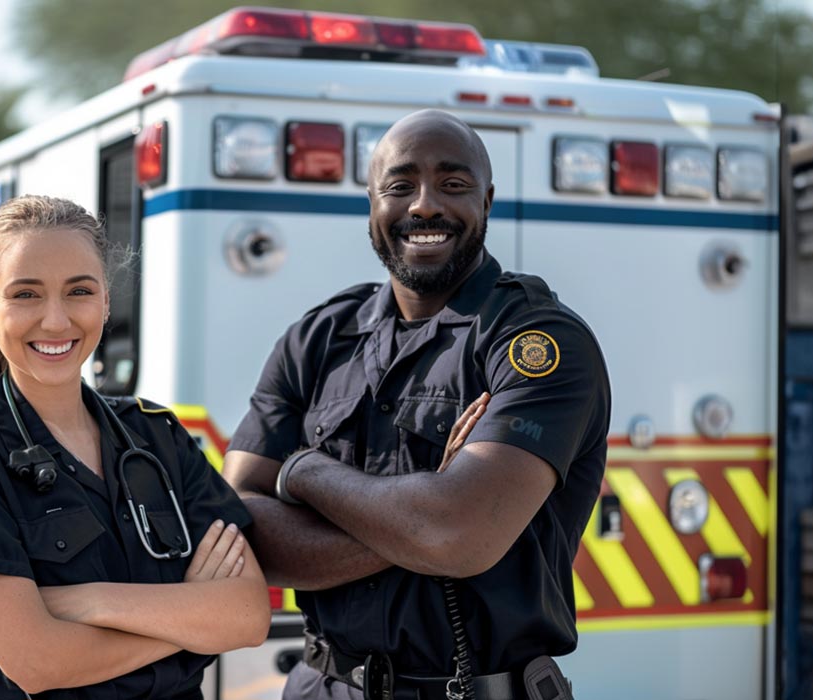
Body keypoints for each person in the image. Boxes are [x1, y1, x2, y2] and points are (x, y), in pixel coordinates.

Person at [224, 110, 611, 700]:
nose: (425, 205)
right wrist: (423, 512)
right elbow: (239, 529)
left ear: (488, 200)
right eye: (399, 186)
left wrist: (304, 471)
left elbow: (456, 533)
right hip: (321, 687)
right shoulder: (316, 340)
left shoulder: (537, 341)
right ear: (372, 204)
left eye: (453, 185)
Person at [0, 195, 270, 700]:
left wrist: (89, 601)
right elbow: (37, 662)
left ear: (106, 302)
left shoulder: (157, 437)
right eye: (26, 295)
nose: (55, 321)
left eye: (78, 291)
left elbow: (248, 616)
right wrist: (189, 621)